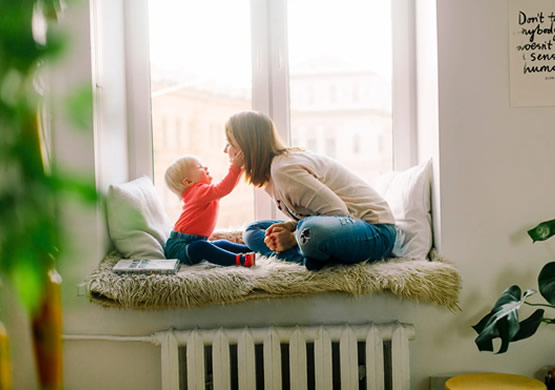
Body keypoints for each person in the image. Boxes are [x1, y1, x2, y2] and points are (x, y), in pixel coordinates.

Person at [223, 110, 396, 270]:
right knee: (254, 230)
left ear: (247, 147)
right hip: (336, 228)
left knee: (310, 231)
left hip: (376, 232)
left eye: (230, 143)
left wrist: (292, 237)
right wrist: (291, 228)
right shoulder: (272, 174)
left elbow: (338, 212)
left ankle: (308, 255)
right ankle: (311, 258)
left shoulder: (284, 170)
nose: (226, 150)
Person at [164, 153, 256, 267]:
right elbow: (224, 188)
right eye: (200, 167)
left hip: (193, 242)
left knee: (221, 244)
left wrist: (240, 170)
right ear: (188, 182)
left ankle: (252, 250)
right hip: (179, 248)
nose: (206, 168)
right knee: (203, 247)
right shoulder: (198, 192)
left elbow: (227, 188)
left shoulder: (203, 193)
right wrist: (235, 167)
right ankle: (240, 260)